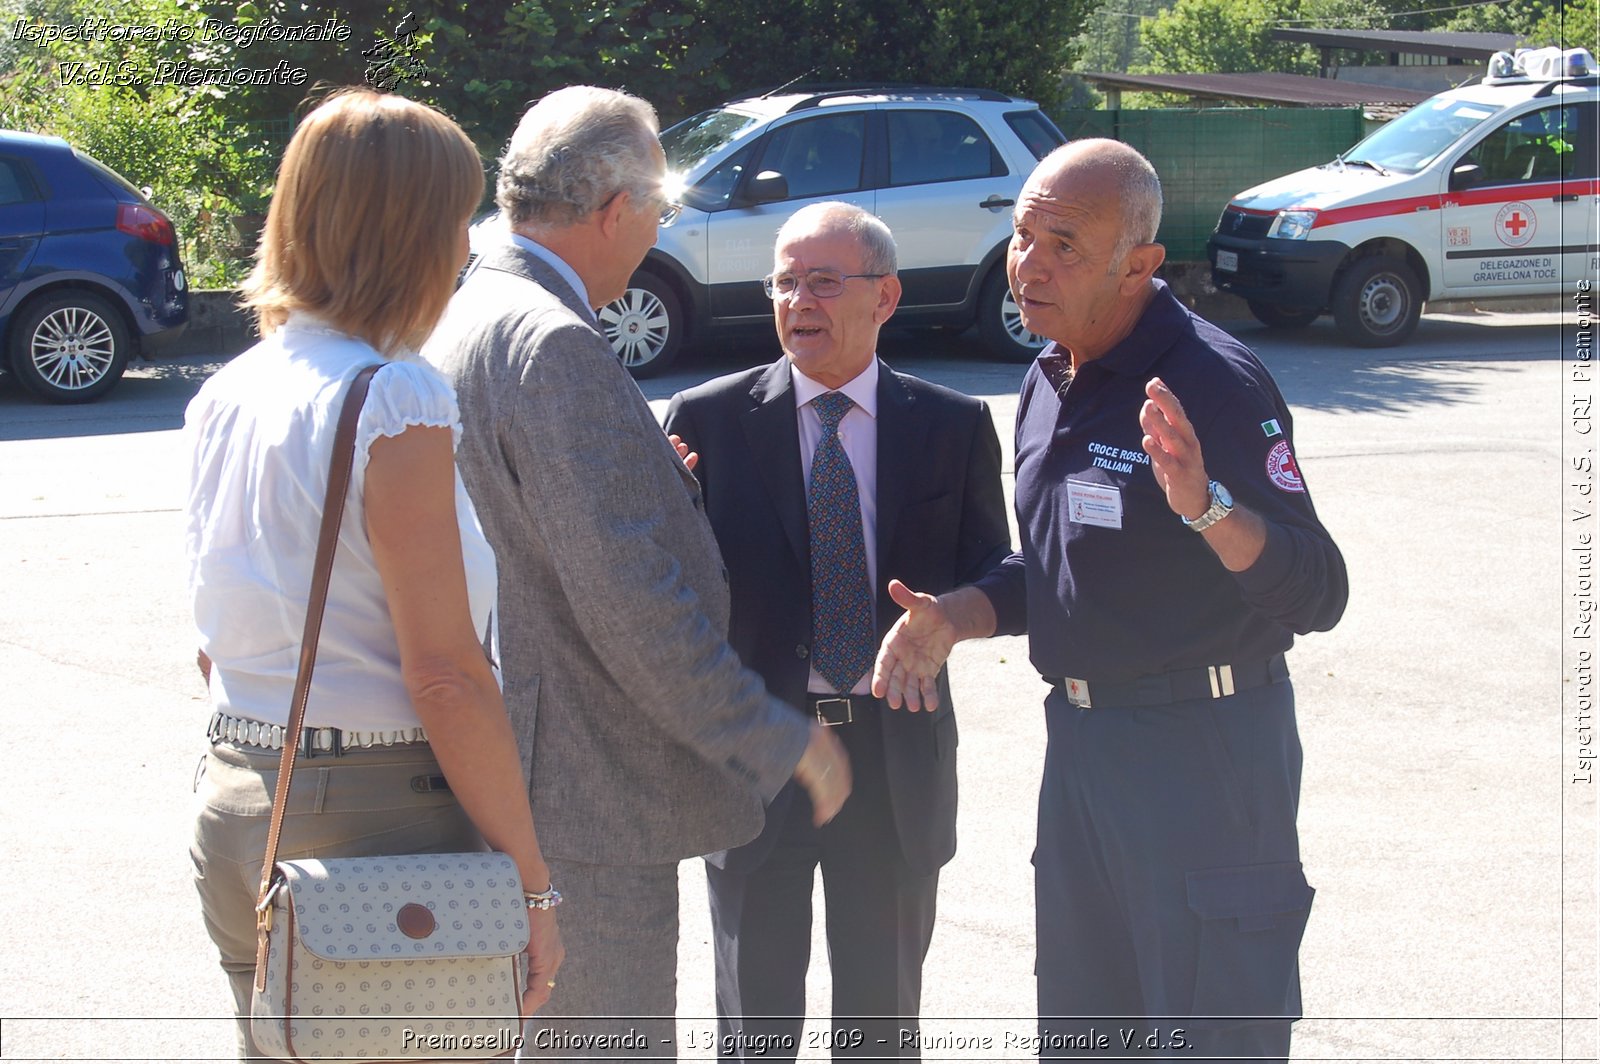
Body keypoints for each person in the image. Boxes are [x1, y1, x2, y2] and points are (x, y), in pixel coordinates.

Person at [872, 139, 1349, 1063]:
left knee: (1211, 1035)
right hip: (1086, 752)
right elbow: (1059, 568)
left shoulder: (1212, 380)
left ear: (1139, 265)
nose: (1029, 264)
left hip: (1207, 755)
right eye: (1022, 235)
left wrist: (1207, 507)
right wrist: (957, 614)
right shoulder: (1052, 371)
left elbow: (1318, 589)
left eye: (1064, 244)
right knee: (1088, 1033)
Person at [423, 86, 851, 1058]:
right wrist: (772, 735)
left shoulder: (470, 306)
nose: (660, 227)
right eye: (658, 206)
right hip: (583, 799)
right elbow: (630, 605)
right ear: (615, 209)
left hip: (516, 778)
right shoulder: (556, 342)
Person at [185, 89, 563, 1062]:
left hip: (239, 795)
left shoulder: (233, 390)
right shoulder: (394, 394)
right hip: (373, 814)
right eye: (456, 217)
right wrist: (533, 884)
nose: (467, 242)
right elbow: (442, 670)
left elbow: (210, 634)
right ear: (412, 234)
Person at [663, 202, 1010, 1060]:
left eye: (823, 281)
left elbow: (1002, 571)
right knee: (755, 1026)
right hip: (759, 757)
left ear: (885, 296)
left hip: (894, 763)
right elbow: (668, 594)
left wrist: (951, 616)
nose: (798, 301)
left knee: (881, 1026)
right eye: (784, 282)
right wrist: (663, 512)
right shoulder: (706, 420)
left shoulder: (951, 424)